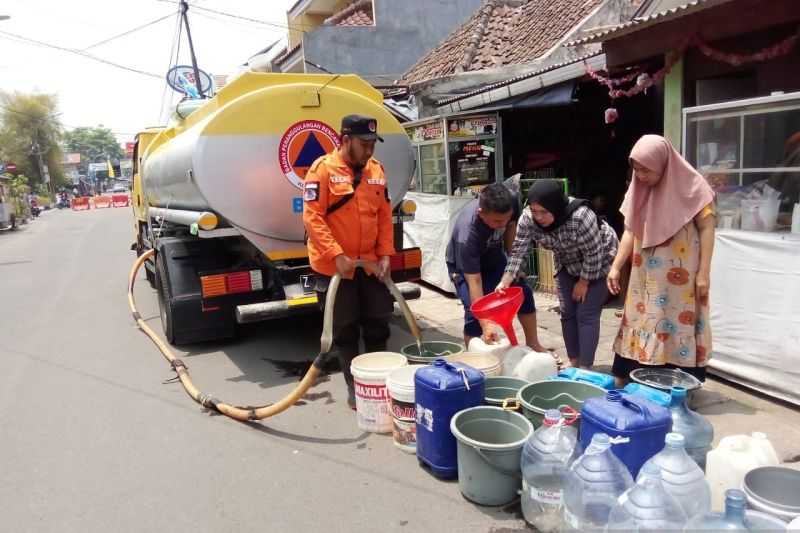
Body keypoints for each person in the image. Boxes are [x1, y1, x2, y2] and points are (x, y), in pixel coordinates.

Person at [607, 134, 716, 388]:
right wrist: (615, 266)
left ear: (663, 165)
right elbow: (630, 230)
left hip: (682, 277)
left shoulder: (694, 187)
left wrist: (704, 274)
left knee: (678, 319)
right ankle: (632, 377)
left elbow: (708, 227)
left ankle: (678, 386)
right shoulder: (638, 189)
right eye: (636, 169)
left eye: (646, 169)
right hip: (645, 276)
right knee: (642, 319)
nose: (640, 176)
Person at [303, 114, 394, 410]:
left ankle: (380, 381)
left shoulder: (377, 171)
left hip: (368, 265)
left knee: (378, 322)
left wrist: (384, 255)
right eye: (364, 144)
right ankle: (355, 388)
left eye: (372, 144)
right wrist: (336, 254)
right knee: (345, 330)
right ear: (345, 140)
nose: (370, 151)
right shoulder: (322, 170)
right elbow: (312, 218)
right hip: (335, 269)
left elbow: (383, 216)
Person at [498, 180, 619, 369]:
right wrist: (506, 280)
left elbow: (594, 253)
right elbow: (518, 250)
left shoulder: (581, 216)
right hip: (567, 261)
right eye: (534, 210)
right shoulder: (528, 219)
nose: (538, 217)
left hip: (600, 260)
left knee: (586, 314)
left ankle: (585, 368)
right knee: (567, 312)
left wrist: (583, 282)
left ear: (556, 206)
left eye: (544, 212)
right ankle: (574, 362)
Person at [446, 183, 548, 352]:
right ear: (481, 213)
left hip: (493, 257)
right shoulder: (468, 234)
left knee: (523, 291)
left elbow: (510, 226)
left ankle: (533, 343)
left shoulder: (510, 203)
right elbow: (475, 281)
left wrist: (512, 264)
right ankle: (477, 359)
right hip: (464, 268)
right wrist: (486, 323)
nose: (503, 224)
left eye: (506, 218)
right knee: (475, 313)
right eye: (497, 221)